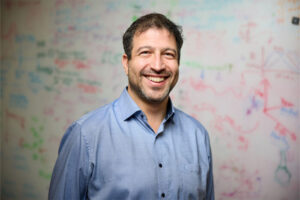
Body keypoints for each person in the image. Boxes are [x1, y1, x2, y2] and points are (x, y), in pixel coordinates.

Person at [49, 13, 214, 200]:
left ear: (178, 63)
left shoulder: (198, 136)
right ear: (126, 63)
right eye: (145, 53)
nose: (158, 65)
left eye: (168, 54)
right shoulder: (85, 135)